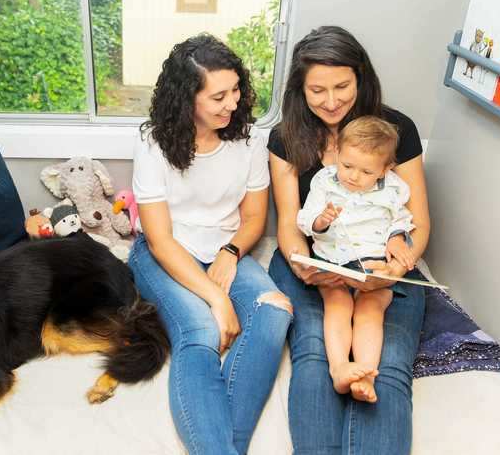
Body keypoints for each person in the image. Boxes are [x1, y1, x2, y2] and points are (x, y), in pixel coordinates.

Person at [267, 25, 431, 454]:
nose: (332, 100)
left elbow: (417, 221)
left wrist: (395, 268)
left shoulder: (395, 131)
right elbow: (288, 222)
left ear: (361, 78)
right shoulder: (287, 138)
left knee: (389, 365)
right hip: (315, 259)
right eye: (317, 90)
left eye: (342, 86)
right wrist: (307, 267)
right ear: (300, 91)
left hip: (383, 261)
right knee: (316, 354)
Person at [128, 34, 293, 455]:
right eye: (218, 95)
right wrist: (217, 301)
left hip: (225, 249)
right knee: (200, 330)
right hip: (164, 254)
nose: (232, 102)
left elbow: (255, 218)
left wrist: (230, 253)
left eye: (236, 89)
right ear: (187, 99)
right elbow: (161, 239)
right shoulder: (153, 145)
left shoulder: (248, 141)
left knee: (275, 310)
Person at [296, 116, 419, 405]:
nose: (353, 176)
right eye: (347, 165)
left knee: (370, 310)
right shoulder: (325, 181)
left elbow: (400, 219)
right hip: (333, 261)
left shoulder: (393, 188)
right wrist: (320, 221)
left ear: (384, 169)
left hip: (372, 265)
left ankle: (366, 374)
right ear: (337, 152)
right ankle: (339, 367)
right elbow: (304, 219)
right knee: (338, 305)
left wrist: (396, 239)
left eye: (366, 171)